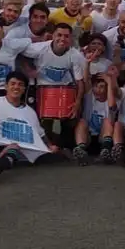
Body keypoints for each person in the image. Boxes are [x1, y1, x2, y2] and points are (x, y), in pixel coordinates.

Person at [21, 23, 85, 154]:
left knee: (70, 119)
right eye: (59, 35)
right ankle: (47, 149)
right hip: (42, 89)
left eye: (66, 36)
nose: (62, 39)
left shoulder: (75, 55)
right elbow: (20, 53)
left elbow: (80, 82)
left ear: (71, 38)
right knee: (43, 122)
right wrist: (28, 70)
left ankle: (67, 148)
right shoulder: (39, 48)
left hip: (65, 89)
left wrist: (78, 102)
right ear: (53, 36)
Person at [74, 72, 117, 164]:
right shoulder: (89, 97)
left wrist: (109, 82)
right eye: (95, 86)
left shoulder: (111, 100)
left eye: (101, 87)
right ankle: (81, 150)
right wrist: (88, 64)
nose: (98, 90)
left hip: (103, 139)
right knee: (82, 122)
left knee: (107, 121)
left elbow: (111, 105)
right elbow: (85, 80)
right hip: (88, 138)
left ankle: (106, 151)